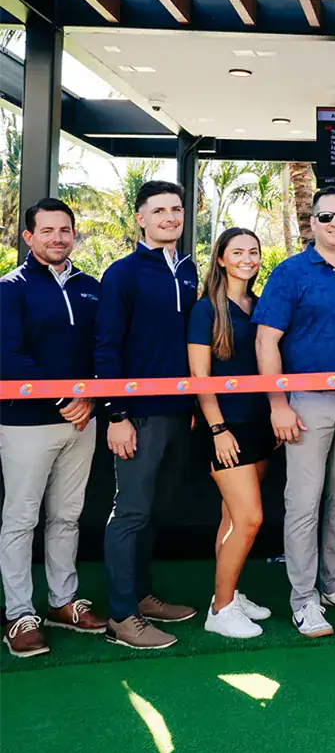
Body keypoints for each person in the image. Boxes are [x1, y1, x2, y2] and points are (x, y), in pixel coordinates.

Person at [254, 186, 335, 639]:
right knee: (303, 503)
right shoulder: (289, 273)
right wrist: (277, 403)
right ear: (312, 224)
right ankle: (303, 598)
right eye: (326, 217)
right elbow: (266, 341)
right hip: (304, 402)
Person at [97, 180, 200, 650]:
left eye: (176, 209)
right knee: (131, 513)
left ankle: (141, 596)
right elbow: (106, 347)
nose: (169, 218)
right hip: (136, 415)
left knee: (155, 511)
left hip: (180, 412)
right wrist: (116, 414)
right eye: (159, 210)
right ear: (140, 218)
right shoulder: (122, 274)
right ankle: (121, 617)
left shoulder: (189, 269)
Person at [0, 198, 104, 658]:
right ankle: (19, 614)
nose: (58, 237)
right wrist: (66, 398)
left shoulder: (91, 287)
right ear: (29, 237)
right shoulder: (10, 288)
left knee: (67, 515)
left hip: (83, 422)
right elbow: (10, 357)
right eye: (47, 230)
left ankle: (63, 602)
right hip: (26, 424)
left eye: (65, 229)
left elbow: (104, 351)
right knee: (21, 519)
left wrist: (91, 397)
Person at [188, 228, 275, 639]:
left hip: (259, 424)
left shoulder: (259, 305)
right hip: (225, 428)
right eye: (237, 251)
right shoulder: (206, 310)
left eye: (253, 251)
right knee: (249, 518)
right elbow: (199, 377)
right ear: (220, 258)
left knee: (231, 518)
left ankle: (228, 594)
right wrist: (217, 428)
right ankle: (220, 610)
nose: (247, 258)